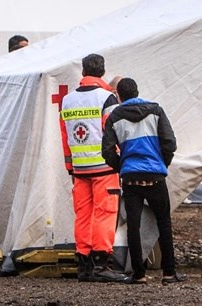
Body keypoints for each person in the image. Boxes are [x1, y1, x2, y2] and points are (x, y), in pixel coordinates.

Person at [102, 78, 186, 285]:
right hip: (155, 176)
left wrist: (123, 168)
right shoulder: (156, 111)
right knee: (164, 223)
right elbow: (169, 143)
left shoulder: (114, 117)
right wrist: (161, 164)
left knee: (133, 225)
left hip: (131, 178)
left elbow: (107, 151)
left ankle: (138, 274)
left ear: (119, 96)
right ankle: (169, 273)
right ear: (137, 91)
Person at [59, 54, 125, 282]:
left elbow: (65, 136)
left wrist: (70, 167)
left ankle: (84, 265)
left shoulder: (67, 100)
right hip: (104, 167)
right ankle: (101, 264)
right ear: (103, 71)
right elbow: (113, 133)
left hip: (79, 169)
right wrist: (118, 162)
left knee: (83, 215)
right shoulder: (107, 98)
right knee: (104, 214)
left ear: (83, 72)